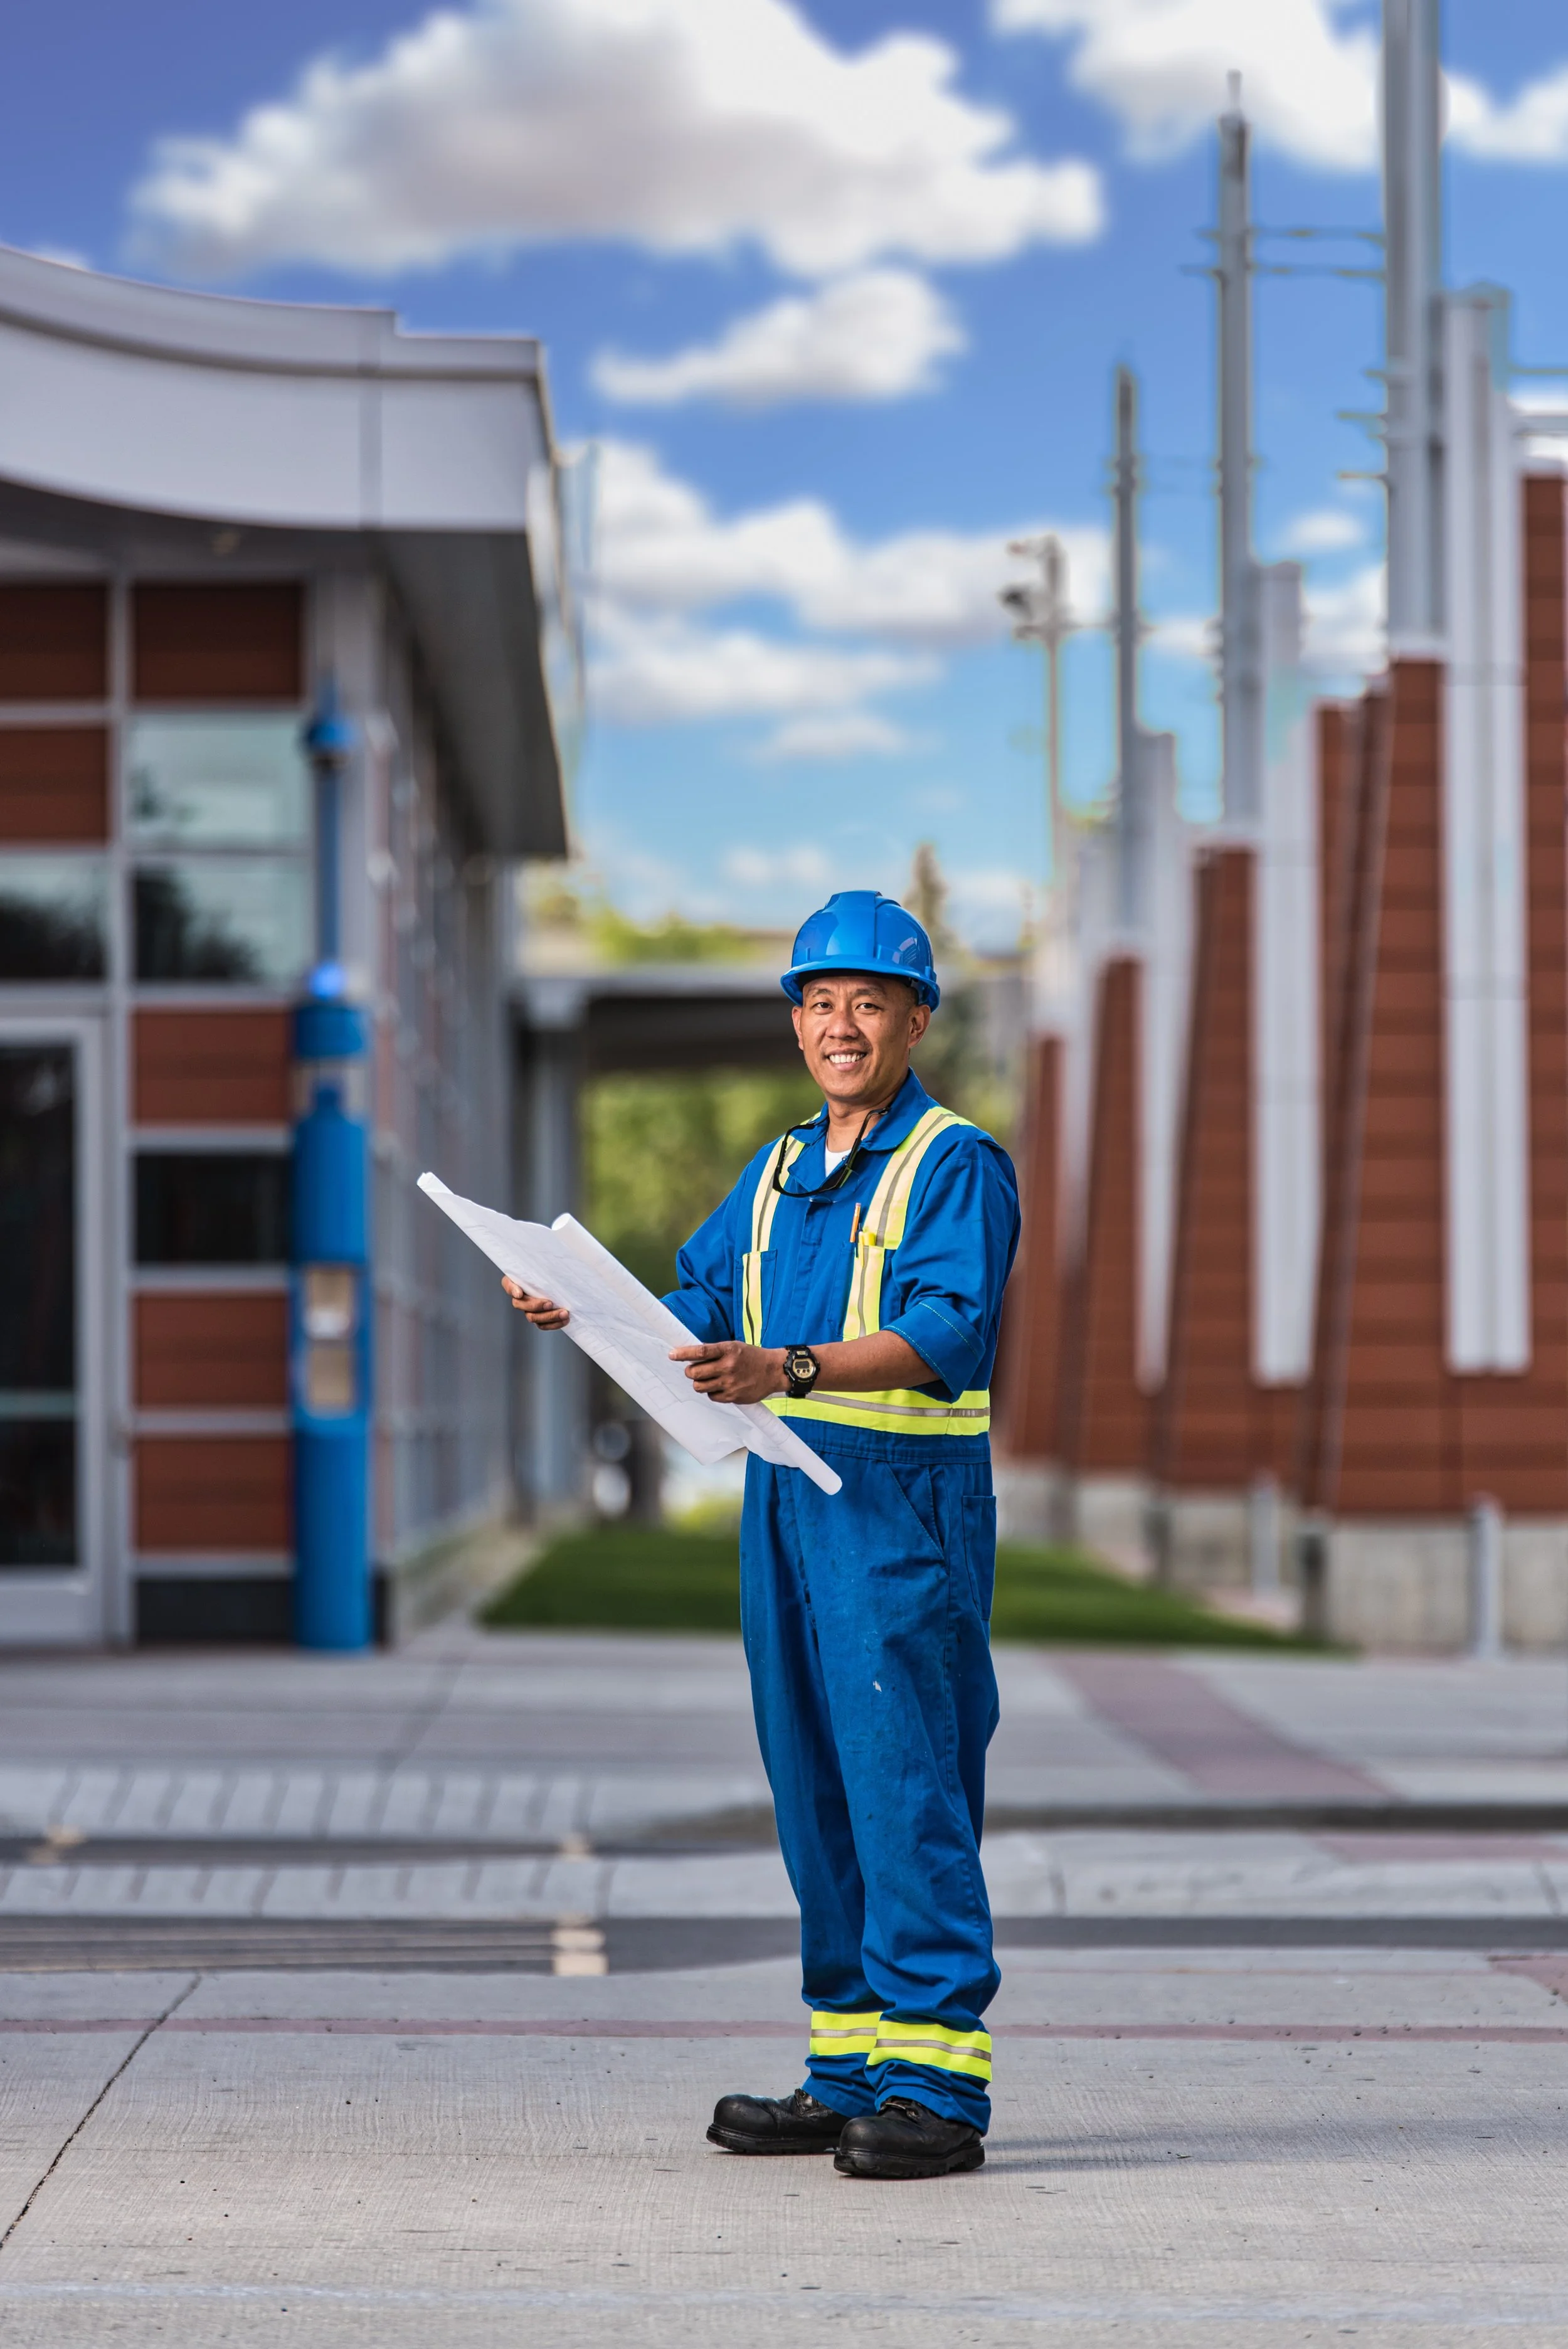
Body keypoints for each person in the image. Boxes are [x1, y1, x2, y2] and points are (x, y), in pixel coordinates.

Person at [505, 889, 1019, 2181]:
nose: (840, 1025)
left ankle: (935, 2090)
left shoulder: (951, 1163)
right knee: (814, 1787)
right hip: (786, 1503)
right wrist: (575, 1302)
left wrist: (784, 1366)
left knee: (904, 1787)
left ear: (913, 1021)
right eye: (819, 1002)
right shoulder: (781, 1167)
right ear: (795, 1022)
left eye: (867, 1003)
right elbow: (695, 1291)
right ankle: (847, 2069)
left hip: (896, 1514)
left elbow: (948, 1332)